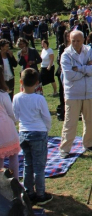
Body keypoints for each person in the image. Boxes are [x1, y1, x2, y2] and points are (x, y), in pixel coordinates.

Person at [12, 68, 52, 204]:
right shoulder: (39, 99)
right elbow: (47, 117)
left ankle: (28, 191)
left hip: (24, 133)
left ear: (21, 82)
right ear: (37, 83)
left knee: (28, 164)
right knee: (39, 166)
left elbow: (15, 117)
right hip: (38, 133)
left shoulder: (17, 97)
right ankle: (40, 194)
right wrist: (46, 129)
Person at [59, 30, 92, 158]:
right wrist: (86, 70)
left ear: (83, 40)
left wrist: (80, 68)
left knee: (91, 121)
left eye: (78, 40)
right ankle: (65, 149)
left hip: (89, 93)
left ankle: (88, 143)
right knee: (70, 122)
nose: (76, 43)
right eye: (73, 41)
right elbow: (69, 75)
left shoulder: (89, 51)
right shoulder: (66, 55)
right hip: (73, 94)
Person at [0, 67, 20, 181]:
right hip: (5, 127)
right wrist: (15, 121)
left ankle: (1, 186)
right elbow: (10, 112)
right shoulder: (3, 94)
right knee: (13, 156)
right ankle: (15, 182)